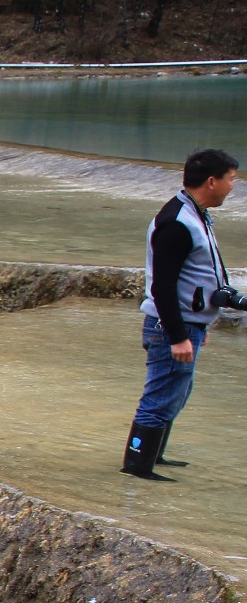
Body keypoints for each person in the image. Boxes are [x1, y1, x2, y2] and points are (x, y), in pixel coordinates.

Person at [123, 147, 241, 481]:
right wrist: (178, 337)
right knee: (161, 395)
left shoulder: (196, 214)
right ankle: (137, 464)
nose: (234, 186)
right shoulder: (177, 222)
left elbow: (201, 277)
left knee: (175, 391)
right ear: (212, 181)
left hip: (189, 323)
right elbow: (162, 287)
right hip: (173, 327)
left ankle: (152, 456)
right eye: (232, 180)